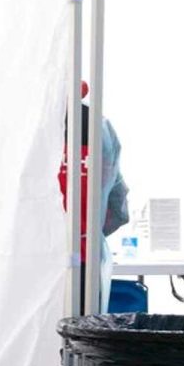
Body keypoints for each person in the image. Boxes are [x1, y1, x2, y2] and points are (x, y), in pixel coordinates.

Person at [58, 81, 129, 312]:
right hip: (84, 255)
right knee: (82, 333)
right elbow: (118, 203)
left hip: (38, 258)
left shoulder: (32, 128)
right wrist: (93, 233)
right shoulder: (100, 126)